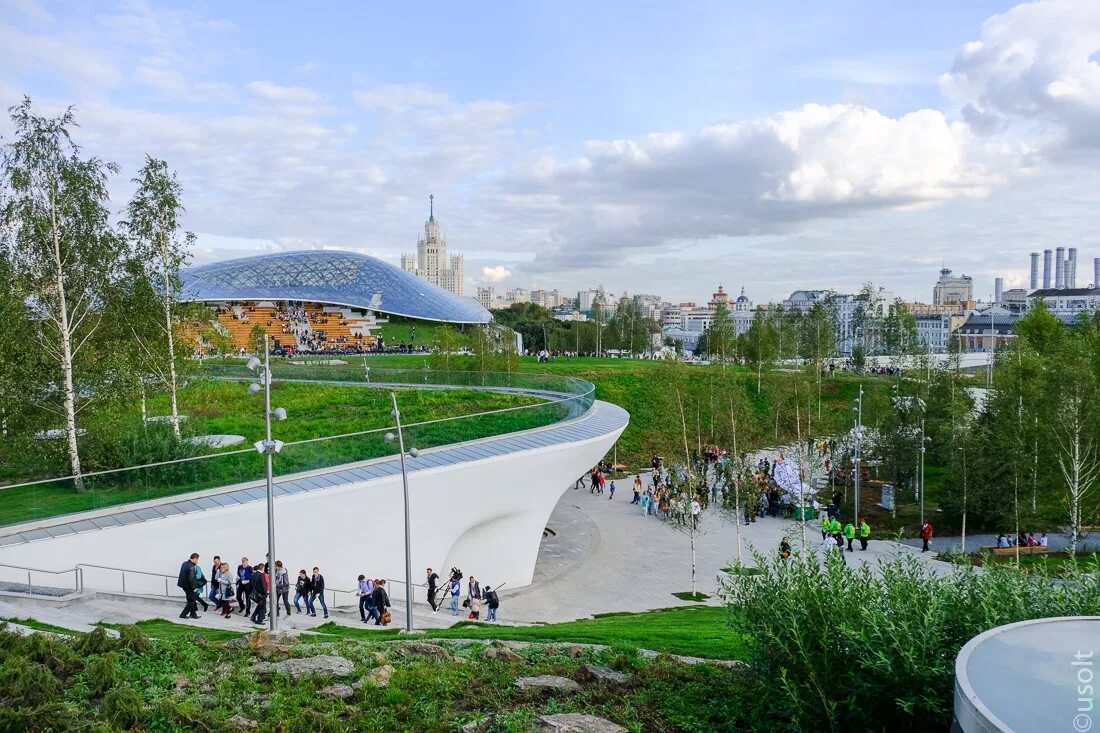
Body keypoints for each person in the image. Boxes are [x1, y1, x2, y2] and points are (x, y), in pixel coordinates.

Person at [177, 552, 201, 619]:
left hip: (184, 585)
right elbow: (191, 579)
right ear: (194, 559)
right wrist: (194, 588)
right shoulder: (191, 567)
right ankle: (183, 615)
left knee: (190, 600)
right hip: (189, 586)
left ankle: (193, 615)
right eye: (197, 560)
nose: (197, 561)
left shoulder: (184, 563)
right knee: (192, 601)